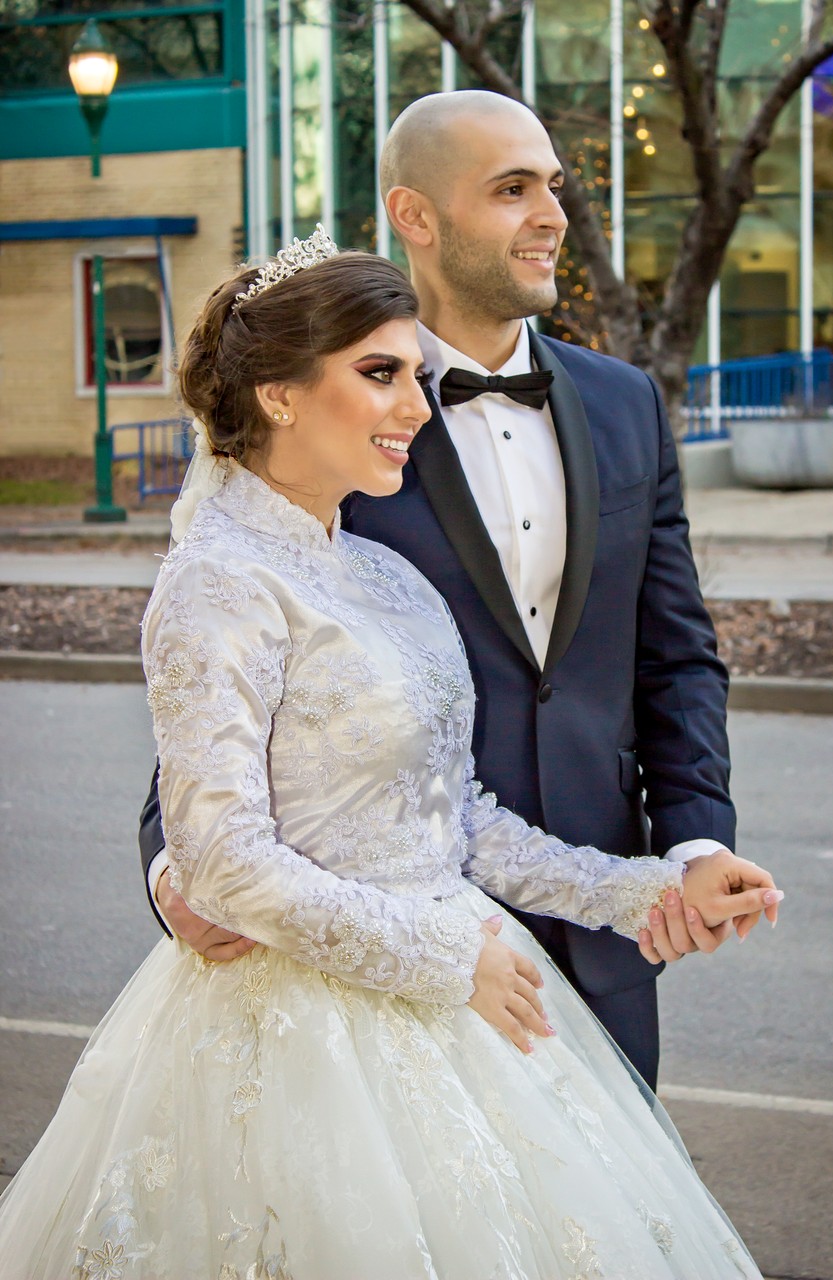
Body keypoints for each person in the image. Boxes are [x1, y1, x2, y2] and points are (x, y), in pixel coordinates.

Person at [0, 234, 781, 1278]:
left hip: (464, 996)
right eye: (381, 373)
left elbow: (456, 820)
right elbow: (223, 859)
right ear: (278, 393)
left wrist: (647, 891)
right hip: (298, 1037)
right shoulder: (213, 584)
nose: (416, 404)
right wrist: (445, 960)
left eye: (415, 372)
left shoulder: (380, 572)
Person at [141, 91, 742, 1089]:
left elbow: (674, 653)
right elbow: (210, 690)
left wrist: (688, 848)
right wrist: (181, 869)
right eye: (512, 189)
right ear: (415, 217)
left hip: (600, 934)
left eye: (553, 184)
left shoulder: (625, 402)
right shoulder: (331, 422)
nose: (552, 212)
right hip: (369, 955)